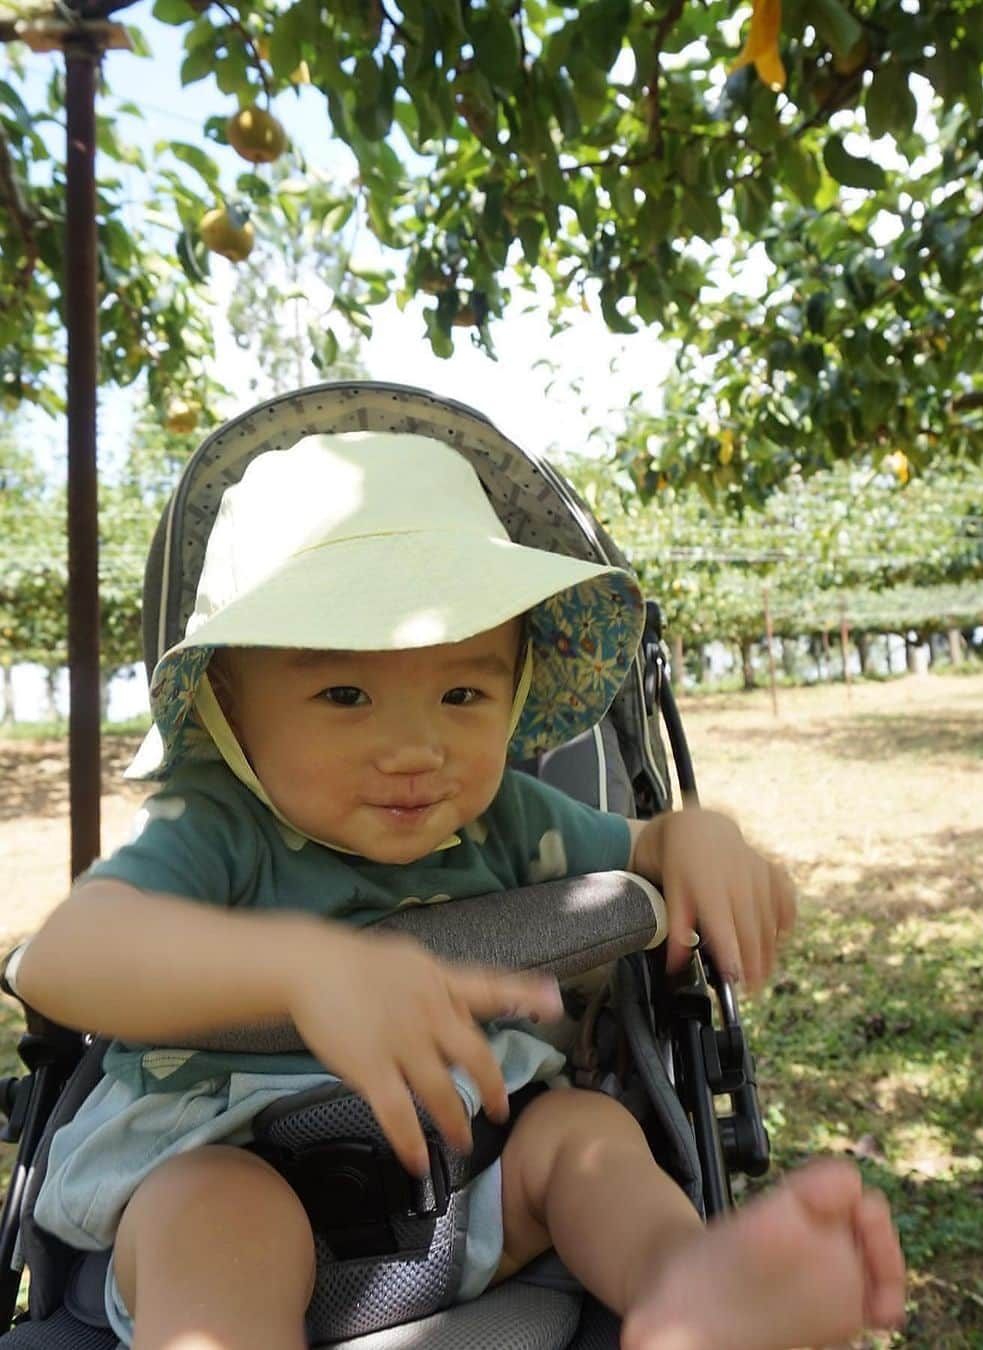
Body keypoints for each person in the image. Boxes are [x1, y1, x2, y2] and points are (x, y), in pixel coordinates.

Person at [17, 430, 905, 1350]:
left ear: (514, 696)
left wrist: (699, 836)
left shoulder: (508, 818)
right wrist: (302, 971)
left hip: (471, 1185)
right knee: (220, 1218)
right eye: (345, 696)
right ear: (227, 708)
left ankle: (689, 1292)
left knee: (584, 1137)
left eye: (463, 697)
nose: (417, 750)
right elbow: (64, 959)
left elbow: (649, 847)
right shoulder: (213, 827)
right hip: (223, 1171)